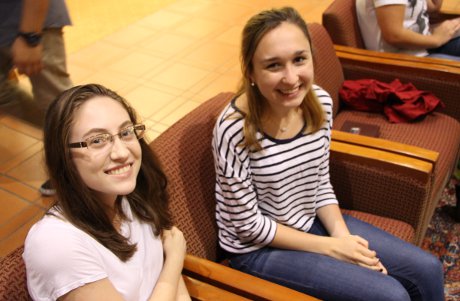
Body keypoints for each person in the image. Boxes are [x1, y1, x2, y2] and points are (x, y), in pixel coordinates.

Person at [212, 7, 444, 301]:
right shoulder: (233, 128)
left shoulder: (319, 102)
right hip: (257, 249)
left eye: (299, 59)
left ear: (312, 57)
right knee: (390, 296)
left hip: (308, 221)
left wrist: (342, 237)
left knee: (428, 269)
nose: (291, 78)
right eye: (273, 65)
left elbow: (320, 182)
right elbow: (247, 226)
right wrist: (332, 247)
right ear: (251, 72)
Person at [23, 84, 190, 301]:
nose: (121, 152)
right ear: (64, 156)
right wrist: (175, 261)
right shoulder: (56, 243)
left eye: (126, 132)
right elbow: (170, 273)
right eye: (97, 141)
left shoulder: (130, 197)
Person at [0, 0, 73, 196]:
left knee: (54, 98)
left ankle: (76, 159)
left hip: (34, 20)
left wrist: (30, 36)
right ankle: (70, 136)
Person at [356, 0, 460, 61]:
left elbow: (433, 7)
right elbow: (394, 36)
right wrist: (436, 39)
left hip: (424, 45)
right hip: (405, 60)